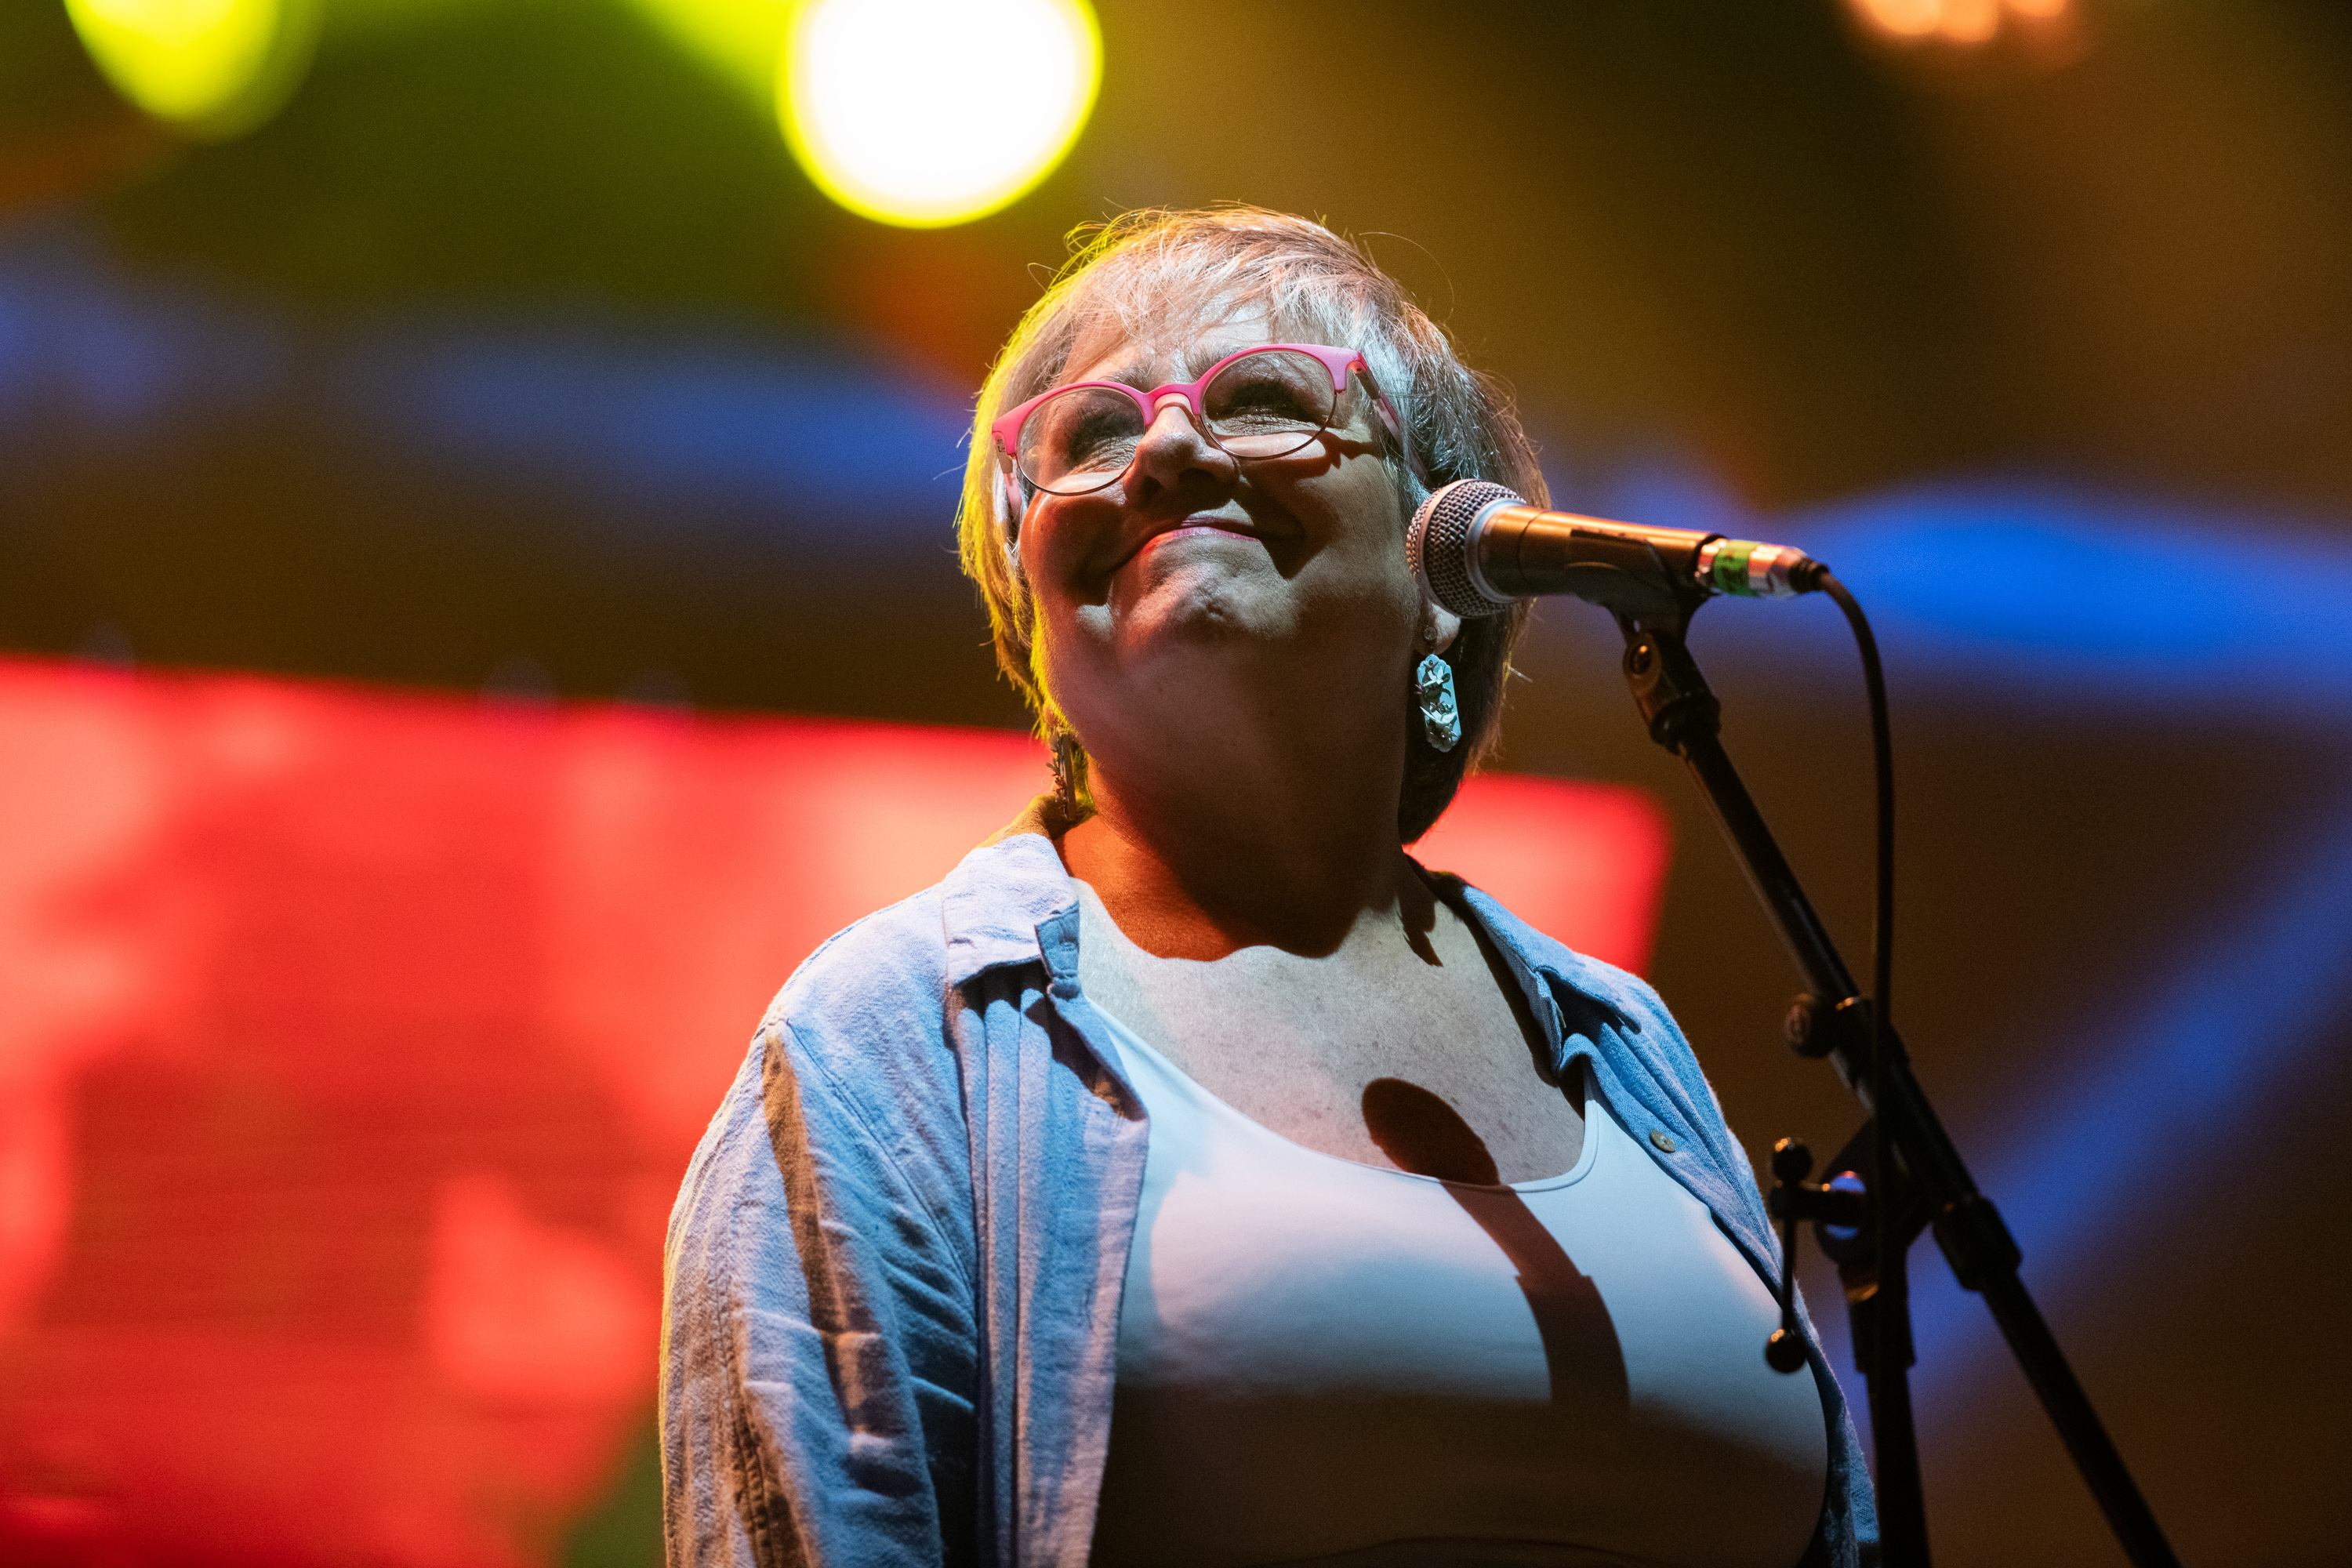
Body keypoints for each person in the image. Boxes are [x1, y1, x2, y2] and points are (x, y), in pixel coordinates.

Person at [660, 206, 1874, 1568]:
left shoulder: (1623, 1044)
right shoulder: (898, 1042)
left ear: (1449, 563)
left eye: (1262, 402)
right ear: (1033, 614)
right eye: (1090, 435)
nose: (1166, 450)